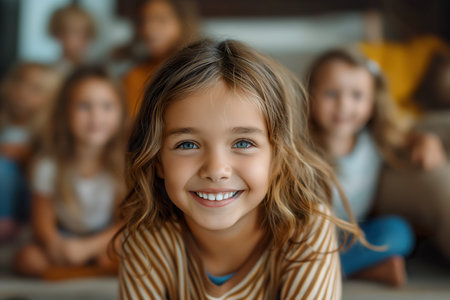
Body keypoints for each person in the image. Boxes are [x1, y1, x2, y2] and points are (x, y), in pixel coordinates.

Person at [117, 39, 366, 299]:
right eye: (187, 144)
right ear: (157, 160)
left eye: (243, 143)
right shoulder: (147, 236)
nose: (216, 170)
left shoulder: (305, 229)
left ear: (278, 158)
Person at [307, 48, 448, 286]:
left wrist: (426, 141)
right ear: (309, 96)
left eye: (357, 96)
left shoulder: (374, 139)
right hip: (308, 237)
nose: (344, 105)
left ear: (372, 104)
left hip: (353, 235)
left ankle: (331, 270)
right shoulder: (301, 144)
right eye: (331, 94)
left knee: (398, 232)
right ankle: (355, 269)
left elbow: (408, 135)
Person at [13, 66, 127, 278]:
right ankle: (86, 269)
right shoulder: (49, 164)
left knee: (130, 245)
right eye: (84, 106)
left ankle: (75, 270)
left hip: (103, 238)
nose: (96, 116)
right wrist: (57, 245)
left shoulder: (122, 165)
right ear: (65, 113)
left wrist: (88, 248)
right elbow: (42, 223)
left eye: (107, 106)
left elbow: (123, 223)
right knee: (27, 259)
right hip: (64, 237)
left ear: (121, 113)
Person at [0, 63, 60, 243]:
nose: (22, 92)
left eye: (35, 89)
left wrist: (25, 154)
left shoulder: (47, 129)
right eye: (19, 83)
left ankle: (5, 222)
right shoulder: (4, 122)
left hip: (31, 197)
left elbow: (46, 165)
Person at [123, 0, 198, 118]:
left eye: (161, 19)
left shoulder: (199, 72)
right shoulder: (134, 77)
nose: (148, 28)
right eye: (143, 20)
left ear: (183, 22)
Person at [48, 4, 96, 76]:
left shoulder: (97, 71)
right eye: (74, 32)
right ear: (58, 35)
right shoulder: (50, 73)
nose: (81, 39)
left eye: (85, 33)